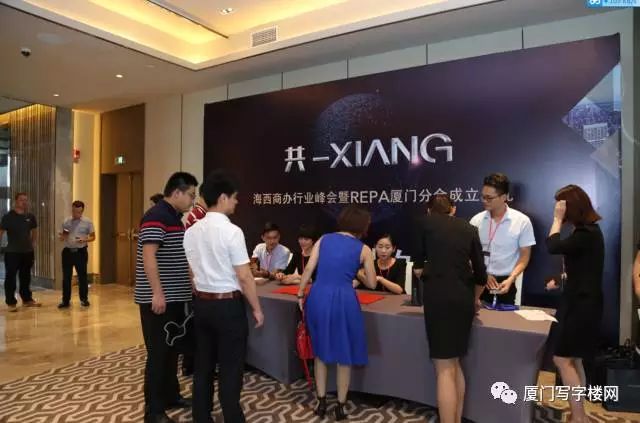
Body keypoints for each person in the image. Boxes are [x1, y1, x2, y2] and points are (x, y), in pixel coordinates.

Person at [184, 170, 264, 423]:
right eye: (234, 197)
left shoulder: (191, 231)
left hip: (201, 304)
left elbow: (190, 272)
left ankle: (201, 415)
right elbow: (244, 276)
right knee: (231, 366)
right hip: (228, 306)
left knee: (203, 364)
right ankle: (232, 417)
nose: (236, 202)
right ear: (222, 198)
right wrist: (256, 308)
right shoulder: (232, 232)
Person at [297, 205, 377, 421]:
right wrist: (357, 272)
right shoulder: (364, 249)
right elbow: (372, 283)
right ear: (362, 226)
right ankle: (340, 406)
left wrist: (300, 294)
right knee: (344, 354)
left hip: (318, 296)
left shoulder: (324, 239)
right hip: (344, 300)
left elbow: (308, 269)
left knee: (320, 351)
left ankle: (321, 402)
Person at [413, 194, 486, 423]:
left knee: (444, 368)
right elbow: (481, 276)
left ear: (429, 210)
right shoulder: (469, 228)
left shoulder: (423, 224)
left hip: (438, 300)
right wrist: (475, 299)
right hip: (463, 299)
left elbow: (417, 267)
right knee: (454, 362)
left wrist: (429, 274)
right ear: (453, 209)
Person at [135, 172, 198, 423]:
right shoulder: (157, 216)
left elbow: (178, 256)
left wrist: (191, 284)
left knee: (172, 350)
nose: (193, 201)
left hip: (175, 297)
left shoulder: (174, 217)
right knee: (159, 354)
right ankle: (153, 411)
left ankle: (171, 396)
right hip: (160, 299)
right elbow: (148, 256)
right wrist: (157, 292)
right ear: (177, 192)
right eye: (191, 195)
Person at [546, 185, 604, 423]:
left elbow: (552, 245)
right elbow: (582, 267)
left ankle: (579, 417)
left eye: (561, 205)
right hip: (583, 302)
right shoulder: (589, 232)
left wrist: (556, 220)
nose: (558, 209)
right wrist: (562, 279)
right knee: (575, 359)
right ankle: (581, 416)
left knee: (562, 359)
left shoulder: (586, 234)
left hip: (581, 305)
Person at [470, 173, 535, 305]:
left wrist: (512, 278)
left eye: (489, 198)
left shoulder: (522, 221)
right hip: (478, 281)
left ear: (504, 197)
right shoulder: (476, 220)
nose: (484, 201)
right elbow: (468, 254)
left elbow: (524, 256)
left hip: (505, 284)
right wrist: (483, 275)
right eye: (483, 196)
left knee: (503, 318)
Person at [1, 192, 41, 312]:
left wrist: (33, 244)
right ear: (16, 201)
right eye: (21, 200)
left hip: (27, 252)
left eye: (25, 200)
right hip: (12, 252)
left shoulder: (30, 216)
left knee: (25, 276)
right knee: (11, 277)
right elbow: (1, 232)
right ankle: (11, 302)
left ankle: (27, 299)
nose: (24, 202)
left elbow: (34, 231)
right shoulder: (8, 217)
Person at [58, 200, 96, 308]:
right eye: (74, 211)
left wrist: (85, 239)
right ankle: (65, 301)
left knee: (82, 277)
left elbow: (93, 237)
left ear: (82, 211)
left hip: (81, 252)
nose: (76, 214)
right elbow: (64, 235)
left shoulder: (87, 222)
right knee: (66, 277)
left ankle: (84, 299)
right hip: (67, 252)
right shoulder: (67, 221)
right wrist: (62, 236)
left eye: (78, 212)